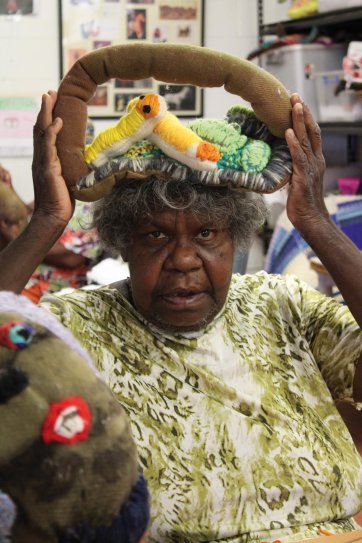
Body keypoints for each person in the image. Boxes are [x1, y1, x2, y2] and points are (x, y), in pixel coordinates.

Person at [0, 89, 361, 543]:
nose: (184, 260)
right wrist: (48, 218)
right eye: (155, 235)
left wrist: (316, 221)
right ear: (124, 243)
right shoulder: (76, 324)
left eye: (207, 233)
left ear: (236, 239)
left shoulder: (282, 303)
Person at [0, 163, 103, 303]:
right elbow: (30, 215)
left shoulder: (93, 204)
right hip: (24, 278)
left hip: (50, 293)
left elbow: (71, 258)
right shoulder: (59, 190)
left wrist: (16, 240)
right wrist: (10, 188)